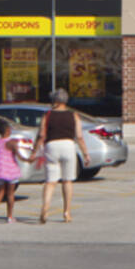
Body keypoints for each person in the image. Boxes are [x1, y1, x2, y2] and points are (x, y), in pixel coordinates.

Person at [32, 87, 80, 223]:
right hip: (68, 146)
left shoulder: (47, 115)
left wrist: (34, 151)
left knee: (50, 182)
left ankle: (45, 208)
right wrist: (86, 154)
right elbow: (80, 137)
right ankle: (67, 212)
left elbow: (41, 135)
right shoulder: (73, 115)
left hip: (51, 146)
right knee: (67, 180)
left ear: (56, 101)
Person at [0, 118, 22, 223]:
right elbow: (19, 156)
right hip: (11, 172)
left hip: (0, 171)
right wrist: (29, 159)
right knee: (10, 194)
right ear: (7, 130)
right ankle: (10, 216)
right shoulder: (12, 143)